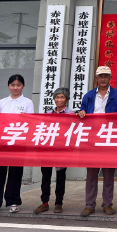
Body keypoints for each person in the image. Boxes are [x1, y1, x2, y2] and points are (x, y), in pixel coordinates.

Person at [78, 66, 117, 217]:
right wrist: (81, 112)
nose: (103, 79)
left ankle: (107, 204)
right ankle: (89, 205)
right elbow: (82, 112)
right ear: (96, 78)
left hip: (110, 138)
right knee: (91, 174)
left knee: (108, 174)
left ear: (110, 78)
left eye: (105, 76)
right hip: (93, 139)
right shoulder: (89, 96)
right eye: (100, 76)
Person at [0, 74, 35, 218]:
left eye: (18, 85)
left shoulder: (27, 102)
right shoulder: (2, 102)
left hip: (18, 142)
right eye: (13, 85)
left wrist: (25, 117)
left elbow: (31, 122)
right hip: (1, 143)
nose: (15, 88)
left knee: (15, 173)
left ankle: (13, 201)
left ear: (23, 86)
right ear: (8, 86)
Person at [33, 87, 74, 215]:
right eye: (57, 97)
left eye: (62, 97)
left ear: (66, 99)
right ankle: (44, 202)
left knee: (60, 178)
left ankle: (58, 203)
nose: (59, 99)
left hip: (62, 151)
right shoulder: (48, 113)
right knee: (46, 177)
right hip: (47, 150)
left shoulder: (71, 114)